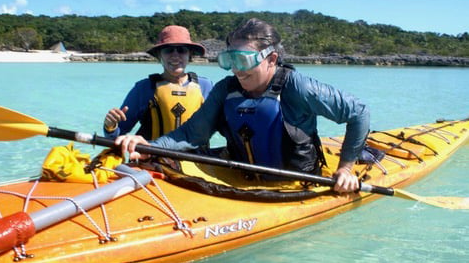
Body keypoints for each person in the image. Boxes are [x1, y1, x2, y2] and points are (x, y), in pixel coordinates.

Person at [115, 18, 370, 193]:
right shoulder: (226, 90)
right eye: (229, 60)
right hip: (240, 179)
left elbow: (358, 113)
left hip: (295, 183)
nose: (236, 69)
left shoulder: (297, 87)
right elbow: (192, 134)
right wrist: (152, 147)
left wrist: (345, 169)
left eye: (243, 60)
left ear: (271, 59)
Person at [103, 25, 213, 140]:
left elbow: (224, 124)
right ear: (159, 55)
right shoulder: (144, 88)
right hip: (153, 157)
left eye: (181, 50)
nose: (175, 56)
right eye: (168, 50)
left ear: (189, 54)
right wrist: (110, 125)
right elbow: (116, 134)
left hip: (196, 157)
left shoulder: (206, 87)